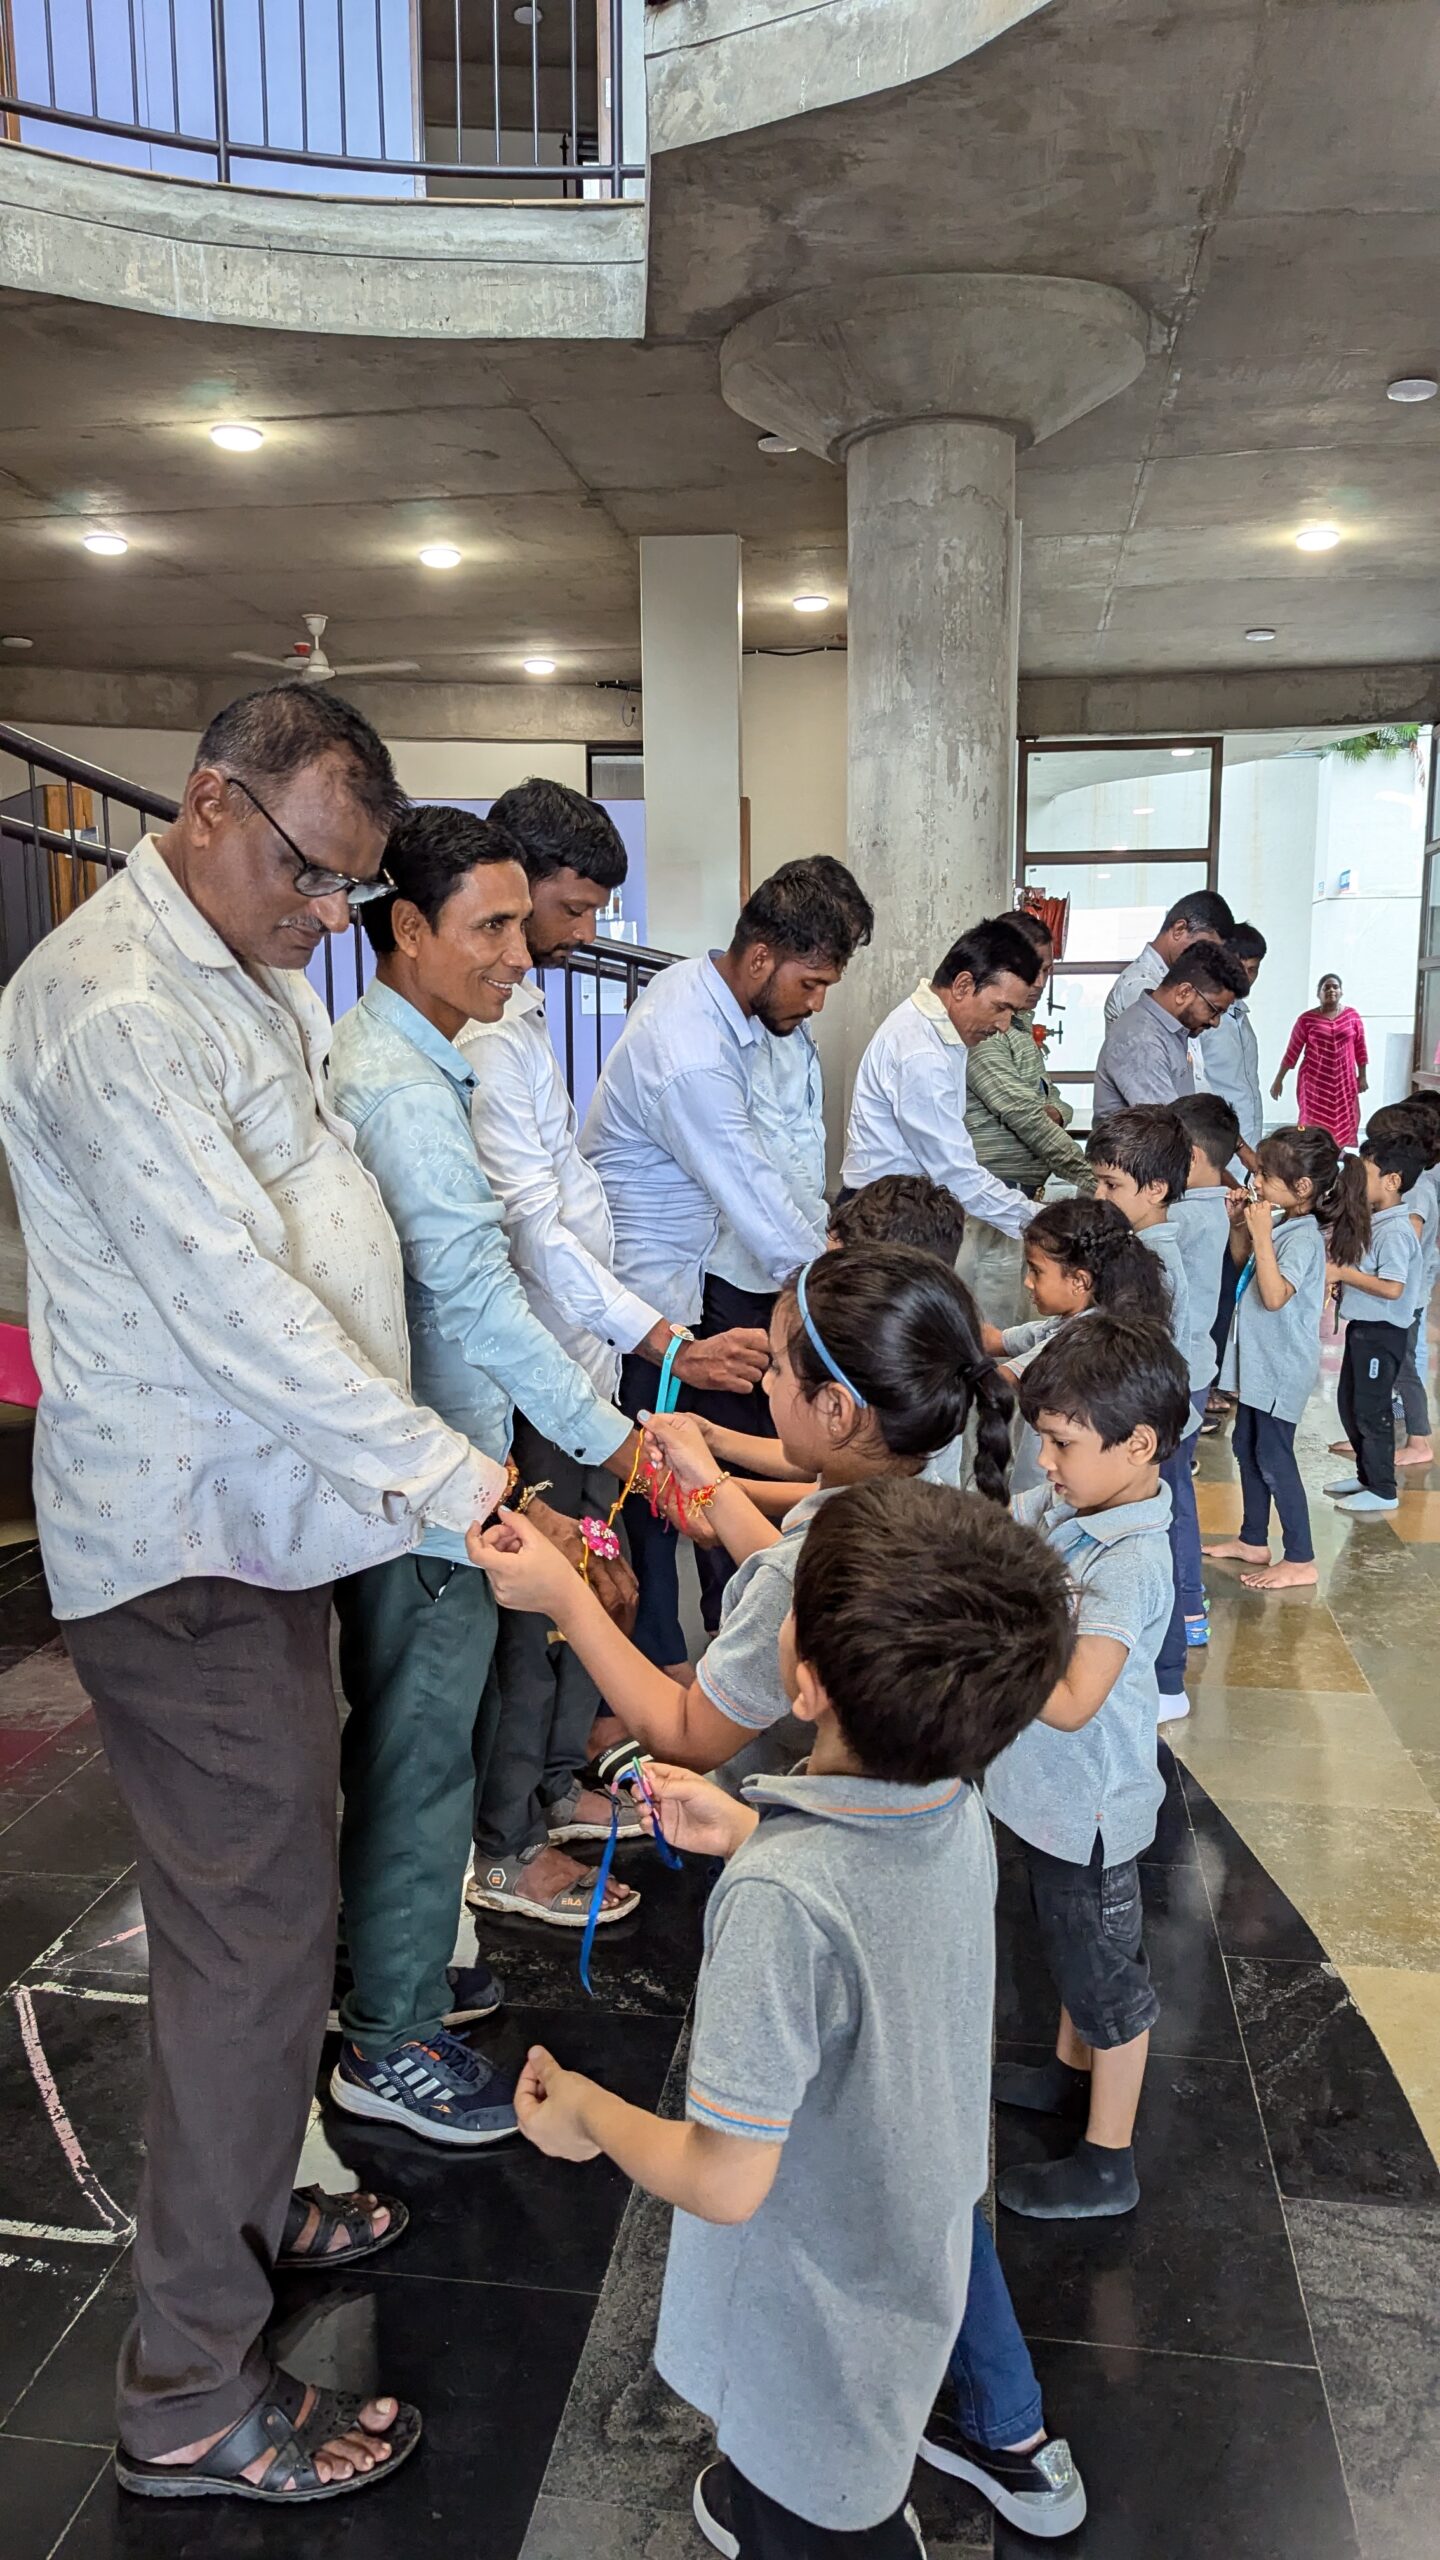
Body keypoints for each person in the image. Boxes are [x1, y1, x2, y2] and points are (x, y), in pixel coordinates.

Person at [0, 687, 518, 2500]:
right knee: (249, 1954)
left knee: (262, 1928)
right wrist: (449, 1476)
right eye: (309, 873)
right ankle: (189, 2397)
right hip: (189, 1547)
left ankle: (251, 2210)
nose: (327, 916)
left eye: (349, 888)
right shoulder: (113, 1008)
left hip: (265, 1526)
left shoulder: (237, 958)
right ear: (211, 803)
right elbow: (234, 1309)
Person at [497, 1475, 1077, 2556]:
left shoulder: (781, 1902)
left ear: (802, 1682)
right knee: (845, 2477)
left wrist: (585, 2113)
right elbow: (872, 1908)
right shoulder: (953, 1805)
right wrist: (750, 1832)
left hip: (812, 2317)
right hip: (903, 2258)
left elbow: (725, 2178)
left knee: (820, 2518)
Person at [323, 807, 652, 2118]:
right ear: (408, 928)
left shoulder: (424, 1056)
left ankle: (394, 1967)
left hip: (448, 1460)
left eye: (527, 921)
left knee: (427, 1742)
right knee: (422, 1752)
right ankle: (388, 2039)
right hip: (425, 1490)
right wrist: (620, 1439)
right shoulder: (404, 1091)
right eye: (495, 926)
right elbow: (473, 1297)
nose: (522, 955)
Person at [457, 779, 768, 1913]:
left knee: (592, 1580)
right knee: (544, 1610)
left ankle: (551, 1787)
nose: (582, 934)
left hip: (583, 1358)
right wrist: (668, 1343)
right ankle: (505, 1841)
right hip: (543, 1368)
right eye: (572, 907)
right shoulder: (474, 1036)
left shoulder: (520, 1011)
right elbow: (533, 1234)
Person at [472, 1247, 1015, 1777]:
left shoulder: (804, 1572)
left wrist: (565, 1598)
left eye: (777, 1368)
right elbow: (788, 1565)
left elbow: (688, 1737)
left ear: (835, 1408)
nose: (767, 1383)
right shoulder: (926, 1495)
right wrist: (708, 1479)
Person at [582, 858, 872, 1665]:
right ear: (761, 958)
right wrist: (850, 1299)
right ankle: (659, 1673)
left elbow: (778, 1170)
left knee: (689, 1475)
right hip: (648, 1296)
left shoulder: (735, 1013)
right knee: (652, 1489)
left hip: (693, 1282)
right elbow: (749, 1187)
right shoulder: (692, 1049)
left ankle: (707, 1653)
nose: (817, 1003)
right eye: (811, 983)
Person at [985, 1315, 1190, 2221]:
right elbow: (1004, 1531)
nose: (1045, 1462)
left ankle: (1109, 2161)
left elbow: (1072, 1700)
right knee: (1072, 1955)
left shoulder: (1131, 1560)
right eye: (1042, 1439)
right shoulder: (1078, 1507)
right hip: (1050, 1799)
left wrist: (986, 1643)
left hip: (1091, 1814)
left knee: (1109, 1986)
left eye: (1063, 1443)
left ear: (1138, 1445)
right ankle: (1070, 2078)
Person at [839, 920, 1047, 1331]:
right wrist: (1040, 1224)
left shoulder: (939, 1033)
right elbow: (956, 1173)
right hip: (884, 1223)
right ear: (964, 985)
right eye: (1001, 1007)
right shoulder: (922, 1052)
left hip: (904, 1213)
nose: (1004, 1025)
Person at [1203, 1127, 1354, 1591]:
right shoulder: (1284, 1225)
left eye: (1265, 1175)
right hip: (1260, 1364)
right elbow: (1243, 1269)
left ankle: (1302, 1557)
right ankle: (1253, 1538)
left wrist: (1262, 1234)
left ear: (1302, 1187)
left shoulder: (1302, 1237)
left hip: (1281, 1367)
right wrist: (1240, 1228)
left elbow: (1273, 1297)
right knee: (1245, 1446)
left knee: (1273, 1456)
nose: (1256, 1181)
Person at [1085, 1108, 1194, 1720]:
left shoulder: (1154, 1261)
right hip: (1146, 1422)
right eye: (1096, 1181)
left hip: (1151, 1427)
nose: (1099, 1197)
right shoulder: (1137, 1246)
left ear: (1155, 1189)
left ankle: (1168, 1681)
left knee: (1158, 1550)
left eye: (1111, 1185)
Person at [961, 908, 1095, 1327]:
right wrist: (1091, 1178)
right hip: (989, 1199)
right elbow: (1024, 1113)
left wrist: (1050, 1109)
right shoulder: (986, 1029)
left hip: (1021, 1199)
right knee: (990, 1327)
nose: (1039, 981)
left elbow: (1053, 1101)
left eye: (1048, 970)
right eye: (1033, 969)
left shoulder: (1018, 1029)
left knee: (1015, 1322)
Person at [1166, 1092, 1242, 1648]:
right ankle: (1189, 1592)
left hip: (1178, 1375)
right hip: (1193, 1371)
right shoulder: (1210, 1206)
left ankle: (1188, 1604)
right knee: (1176, 1491)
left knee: (1171, 1495)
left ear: (1189, 1156)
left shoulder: (1184, 1216)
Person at [1323, 1124, 1427, 1515]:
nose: (1356, 1183)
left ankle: (1383, 1488)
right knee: (1350, 1403)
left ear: (1392, 1181)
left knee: (1371, 1409)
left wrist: (1343, 1274)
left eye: (1365, 1174)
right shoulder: (1378, 1221)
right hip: (1364, 1329)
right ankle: (1367, 1476)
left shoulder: (1396, 1230)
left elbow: (1393, 1288)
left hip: (1383, 1334)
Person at [1092, 943, 1249, 1120]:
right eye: (1214, 1010)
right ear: (1184, 993)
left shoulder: (1169, 1030)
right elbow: (1169, 1127)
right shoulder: (1143, 1040)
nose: (1215, 1022)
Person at [1103, 887, 1234, 1024]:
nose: (1207, 960)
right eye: (1204, 948)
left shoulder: (1172, 979)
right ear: (1179, 929)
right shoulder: (1141, 986)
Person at [1272, 972, 1368, 1148]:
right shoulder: (1306, 1020)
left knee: (1344, 1120)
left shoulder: (1352, 1016)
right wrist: (1279, 1079)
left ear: (1341, 992)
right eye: (1326, 987)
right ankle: (1313, 1155)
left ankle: (1337, 1154)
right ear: (1318, 993)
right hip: (1314, 1084)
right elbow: (1292, 1051)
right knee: (1312, 1123)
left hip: (1344, 1082)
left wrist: (1362, 1076)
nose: (1331, 990)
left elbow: (1361, 1048)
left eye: (1335, 987)